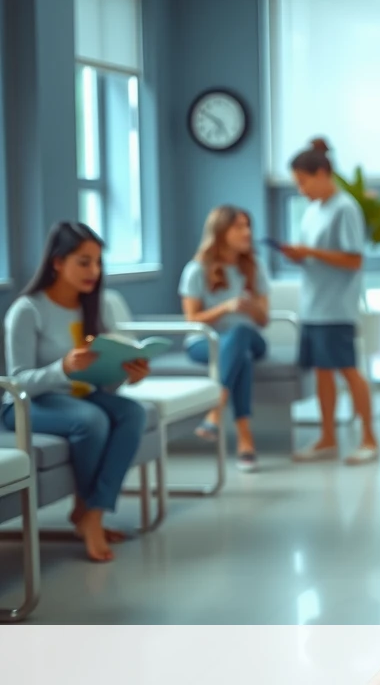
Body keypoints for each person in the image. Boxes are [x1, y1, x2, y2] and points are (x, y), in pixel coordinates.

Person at [2, 222, 150, 563]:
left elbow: (101, 382)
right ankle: (88, 514)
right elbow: (17, 381)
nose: (93, 271)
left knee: (133, 412)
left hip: (79, 395)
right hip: (27, 404)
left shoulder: (96, 306)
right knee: (92, 420)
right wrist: (62, 369)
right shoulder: (27, 310)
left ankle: (92, 512)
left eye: (97, 263)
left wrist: (126, 374)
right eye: (84, 262)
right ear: (57, 262)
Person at [279, 138, 378, 465]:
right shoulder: (312, 211)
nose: (301, 189)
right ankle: (327, 438)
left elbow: (354, 259)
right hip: (313, 306)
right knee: (323, 372)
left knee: (349, 371)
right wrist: (300, 255)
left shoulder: (345, 208)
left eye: (303, 181)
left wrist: (310, 252)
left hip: (337, 308)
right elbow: (316, 256)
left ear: (322, 173)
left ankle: (369, 438)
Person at [179, 205, 270, 472]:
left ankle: (215, 410)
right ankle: (245, 439)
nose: (247, 232)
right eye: (239, 227)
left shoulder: (255, 267)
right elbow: (192, 320)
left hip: (249, 337)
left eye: (248, 226)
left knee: (240, 334)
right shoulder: (196, 269)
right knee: (241, 357)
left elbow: (264, 320)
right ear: (220, 231)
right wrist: (226, 308)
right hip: (206, 342)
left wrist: (251, 308)